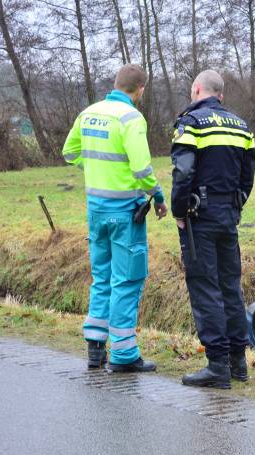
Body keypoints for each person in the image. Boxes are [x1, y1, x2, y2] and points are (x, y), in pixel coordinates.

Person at [62, 64, 167, 372]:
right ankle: (123, 355)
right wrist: (159, 197)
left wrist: (95, 170)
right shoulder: (131, 118)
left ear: (115, 83)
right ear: (140, 89)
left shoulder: (89, 113)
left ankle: (96, 348)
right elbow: (142, 170)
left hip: (96, 211)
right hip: (125, 214)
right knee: (128, 279)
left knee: (102, 278)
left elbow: (69, 152)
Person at [170, 69, 255, 388]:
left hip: (199, 215)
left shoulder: (190, 123)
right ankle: (239, 362)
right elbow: (248, 176)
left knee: (205, 287)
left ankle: (217, 365)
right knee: (230, 286)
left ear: (196, 89)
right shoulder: (241, 126)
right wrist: (236, 204)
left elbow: (183, 171)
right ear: (221, 94)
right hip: (228, 213)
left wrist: (180, 210)